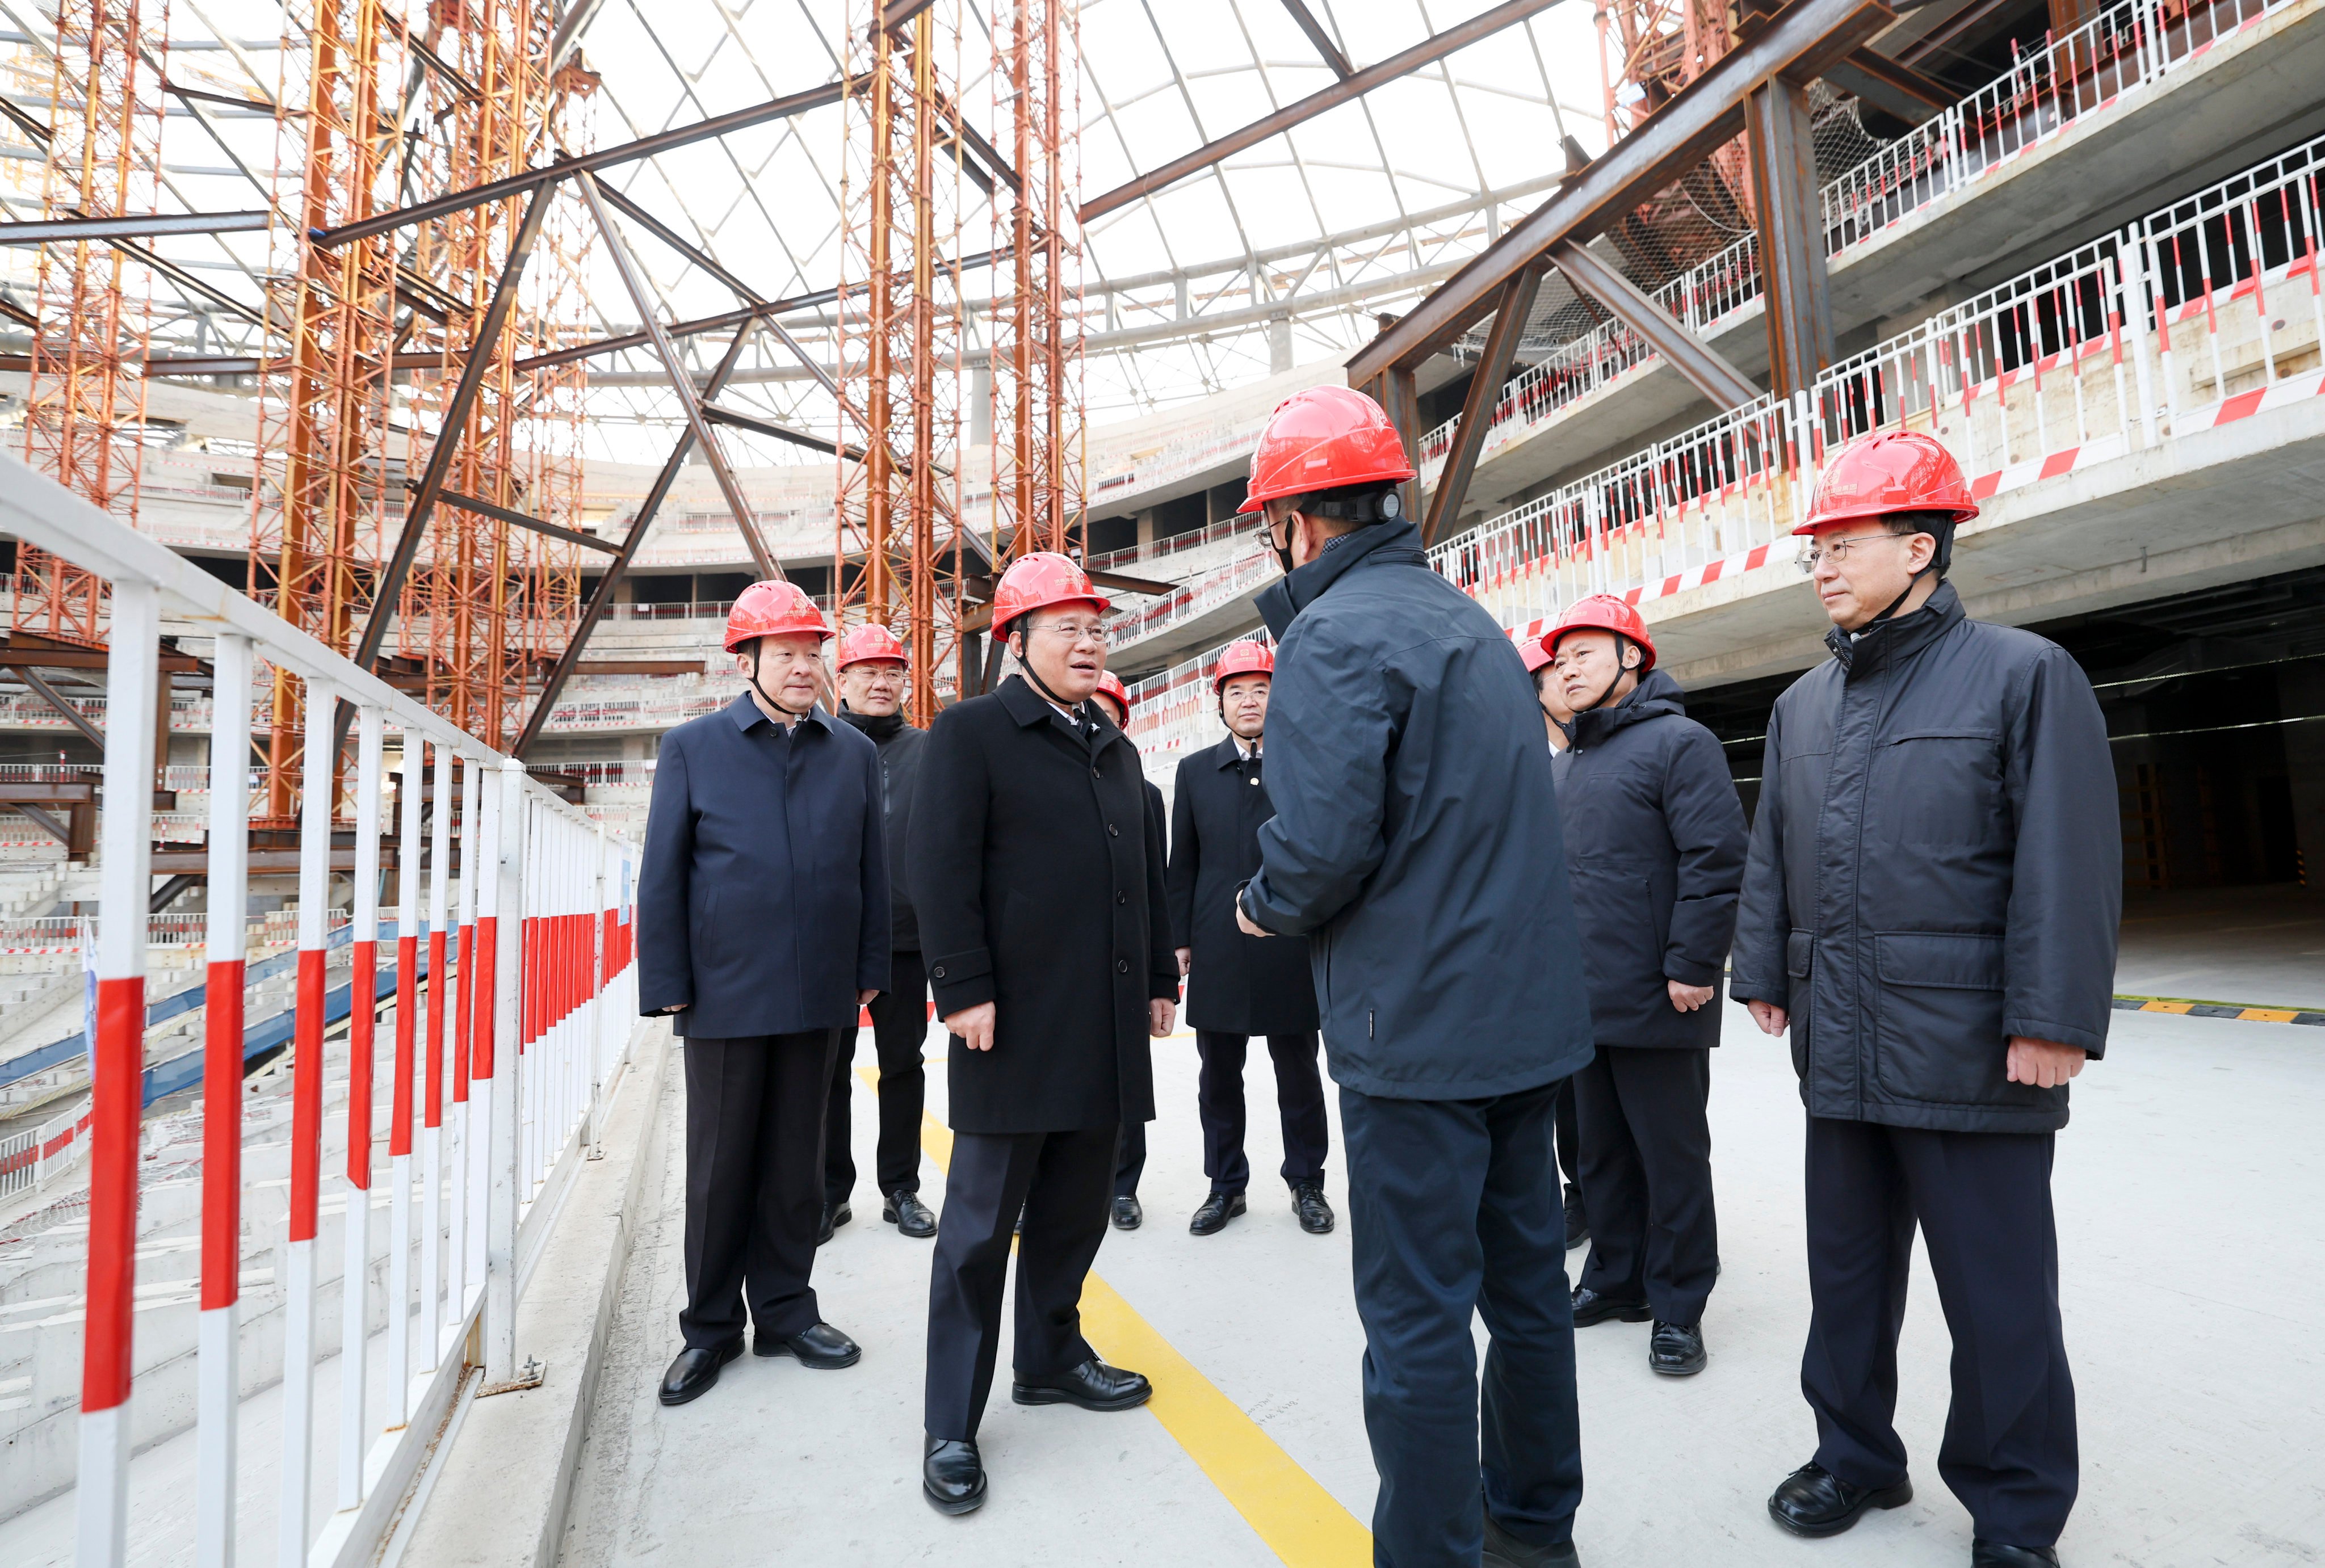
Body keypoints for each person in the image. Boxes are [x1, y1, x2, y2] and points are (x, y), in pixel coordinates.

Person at [1730, 431, 2118, 1568]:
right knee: (1844, 1273)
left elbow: (2065, 854)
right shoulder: (1804, 704)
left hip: (1969, 1047)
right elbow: (1773, 848)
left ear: (1919, 546)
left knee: (1996, 1298)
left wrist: (2051, 1015)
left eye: (1841, 545)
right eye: (1813, 552)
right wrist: (1762, 966)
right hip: (1838, 1038)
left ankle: (2012, 1510)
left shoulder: (2021, 674)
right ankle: (1852, 1453)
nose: (1821, 567)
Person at [1231, 385, 1594, 1568]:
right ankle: (1535, 1532)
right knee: (1527, 1295)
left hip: (1416, 1038)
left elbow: (1322, 842)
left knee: (1416, 1320)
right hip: (1523, 1028)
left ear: (1293, 521)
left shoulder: (1331, 638)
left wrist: (1259, 903)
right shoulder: (1466, 622)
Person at [909, 553, 1179, 1516]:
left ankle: (1051, 1354)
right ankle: (951, 1420)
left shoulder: (1113, 743)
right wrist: (963, 988)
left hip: (1101, 1022)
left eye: (1094, 625)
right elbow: (939, 869)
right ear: (1013, 643)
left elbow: (1141, 876)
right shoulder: (974, 732)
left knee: (1076, 1209)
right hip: (1009, 1025)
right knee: (979, 1231)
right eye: (1064, 626)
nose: (1089, 639)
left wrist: (1155, 981)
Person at [636, 581, 887, 1407]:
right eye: (785, 653)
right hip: (727, 993)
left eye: (814, 652)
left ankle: (785, 1310)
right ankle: (710, 1328)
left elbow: (870, 872)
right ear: (747, 660)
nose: (803, 667)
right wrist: (668, 981)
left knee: (795, 1168)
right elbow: (663, 874)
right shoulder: (693, 748)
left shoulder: (852, 751)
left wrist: (868, 966)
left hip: (819, 991)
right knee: (718, 1169)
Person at [1545, 595, 1746, 1378]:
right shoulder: (1566, 764)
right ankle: (1615, 1278)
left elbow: (1715, 858)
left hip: (1664, 993)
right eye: (1561, 659)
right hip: (1582, 996)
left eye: (1586, 652)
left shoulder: (1680, 743)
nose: (1568, 668)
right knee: (1600, 1156)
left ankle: (1679, 1302)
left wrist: (1695, 962)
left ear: (1634, 657)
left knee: (1671, 1156)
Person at [1165, 638, 1331, 1238]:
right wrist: (1179, 939)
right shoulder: (1193, 772)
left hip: (1289, 937)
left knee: (1298, 1070)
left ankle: (1307, 1182)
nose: (1249, 701)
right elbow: (1180, 864)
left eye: (1261, 689)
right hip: (1217, 942)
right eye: (1236, 691)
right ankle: (1225, 1186)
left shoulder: (1305, 766)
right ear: (1220, 704)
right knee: (1218, 1075)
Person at [823, 622, 939, 1242]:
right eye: (866, 671)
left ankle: (901, 1188)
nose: (880, 681)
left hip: (903, 940)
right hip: (833, 939)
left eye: (892, 671)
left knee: (903, 1064)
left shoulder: (929, 750)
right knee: (825, 1072)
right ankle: (828, 1192)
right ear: (840, 680)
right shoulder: (817, 746)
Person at [1090, 669, 1169, 1229]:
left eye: (1107, 711)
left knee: (1125, 1078)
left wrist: (1162, 978)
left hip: (1125, 957)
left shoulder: (1143, 792)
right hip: (1064, 963)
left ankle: (1123, 1186)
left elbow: (1155, 887)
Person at [1525, 631, 1588, 1250]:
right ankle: (1579, 1195)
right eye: (1555, 670)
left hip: (1608, 952)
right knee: (1565, 1096)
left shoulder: (1612, 746)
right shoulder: (1519, 762)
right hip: (1543, 955)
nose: (1568, 677)